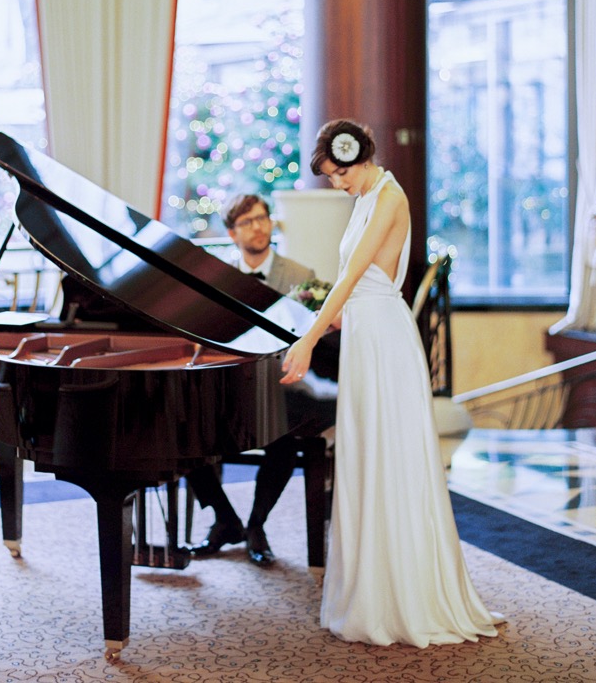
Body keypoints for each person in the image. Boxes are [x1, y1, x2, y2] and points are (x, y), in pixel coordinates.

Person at [281, 119, 500, 647]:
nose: (336, 184)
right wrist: (322, 316)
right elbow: (354, 284)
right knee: (365, 458)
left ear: (357, 158)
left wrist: (308, 341)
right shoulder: (363, 196)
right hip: (365, 333)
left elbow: (357, 275)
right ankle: (368, 590)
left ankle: (403, 596)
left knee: (390, 458)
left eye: (337, 174)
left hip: (385, 341)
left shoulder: (387, 195)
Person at [188, 193, 337, 567]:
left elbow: (329, 325)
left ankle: (256, 525)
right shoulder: (216, 278)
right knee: (182, 432)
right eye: (247, 222)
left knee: (282, 440)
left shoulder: (300, 276)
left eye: (262, 218)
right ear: (232, 233)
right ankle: (225, 520)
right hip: (228, 386)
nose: (258, 227)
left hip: (285, 388)